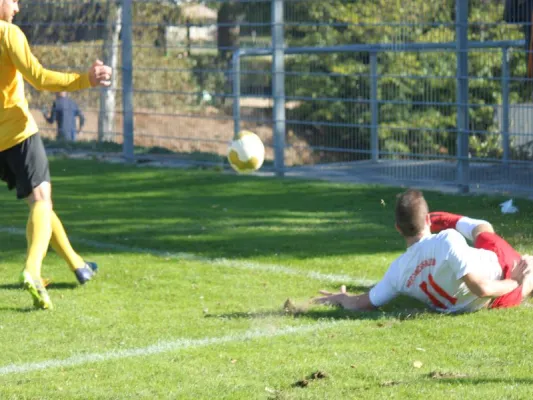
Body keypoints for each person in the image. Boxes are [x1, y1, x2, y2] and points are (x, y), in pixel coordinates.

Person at [0, 0, 112, 309]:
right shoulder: (7, 33)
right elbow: (38, 77)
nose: (17, 8)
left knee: (39, 207)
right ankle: (33, 271)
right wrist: (85, 79)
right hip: (18, 133)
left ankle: (78, 264)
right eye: (13, 1)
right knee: (41, 200)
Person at [315, 189, 533, 314]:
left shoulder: (396, 272)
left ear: (398, 229)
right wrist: (514, 281)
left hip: (483, 297)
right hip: (501, 276)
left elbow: (361, 303)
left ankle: (444, 219)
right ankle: (446, 219)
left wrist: (343, 298)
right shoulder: (447, 239)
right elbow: (483, 289)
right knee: (483, 229)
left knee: (484, 234)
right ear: (427, 221)